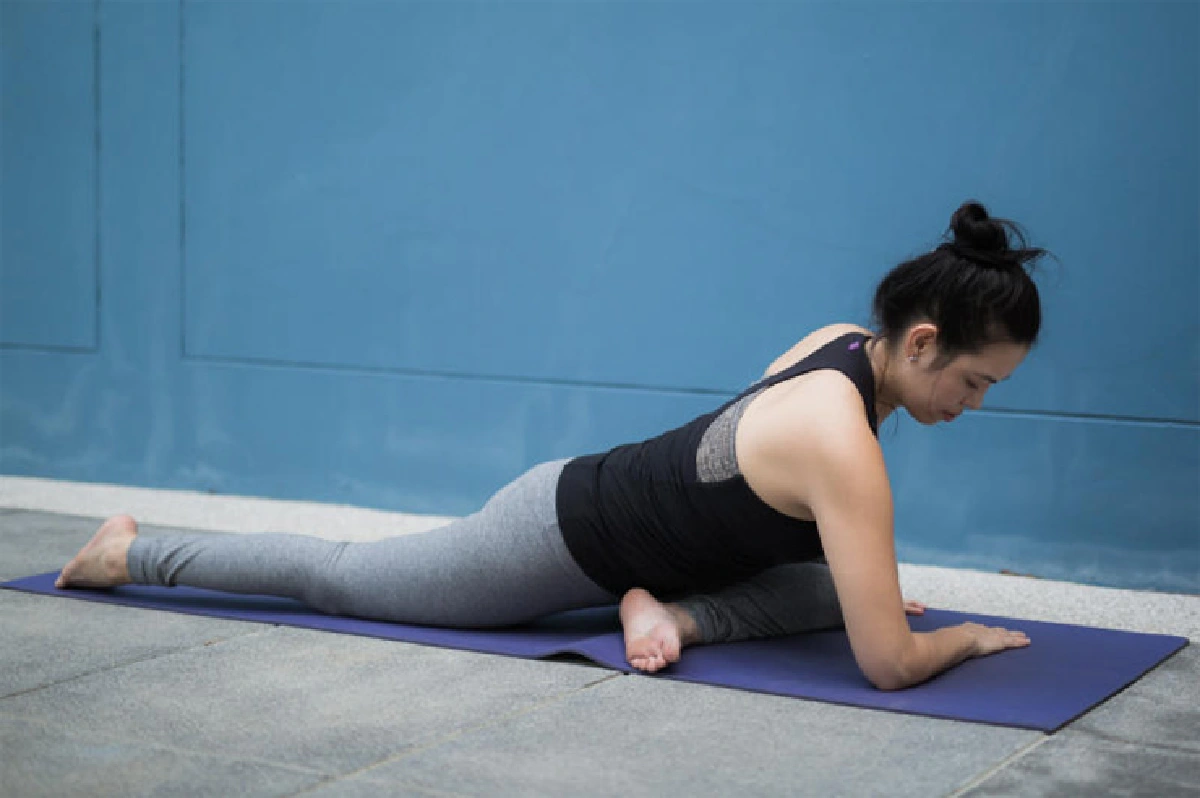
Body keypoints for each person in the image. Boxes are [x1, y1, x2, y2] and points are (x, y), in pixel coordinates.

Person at [57, 200, 1046, 691]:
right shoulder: (847, 441)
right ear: (924, 341)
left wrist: (854, 582)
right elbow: (887, 667)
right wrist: (957, 637)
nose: (975, 403)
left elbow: (738, 484)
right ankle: (132, 552)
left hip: (621, 519)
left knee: (841, 585)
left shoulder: (838, 343)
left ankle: (667, 610)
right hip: (554, 533)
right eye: (973, 381)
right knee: (347, 577)